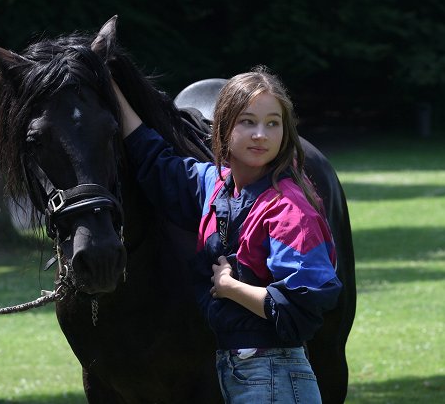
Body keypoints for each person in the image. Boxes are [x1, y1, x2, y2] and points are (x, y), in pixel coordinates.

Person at [116, 66, 342, 404]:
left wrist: (230, 288)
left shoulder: (289, 208)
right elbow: (157, 161)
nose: (260, 135)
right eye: (248, 122)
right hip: (239, 372)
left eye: (272, 123)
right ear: (223, 128)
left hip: (275, 375)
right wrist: (110, 87)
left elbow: (300, 307)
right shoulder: (217, 186)